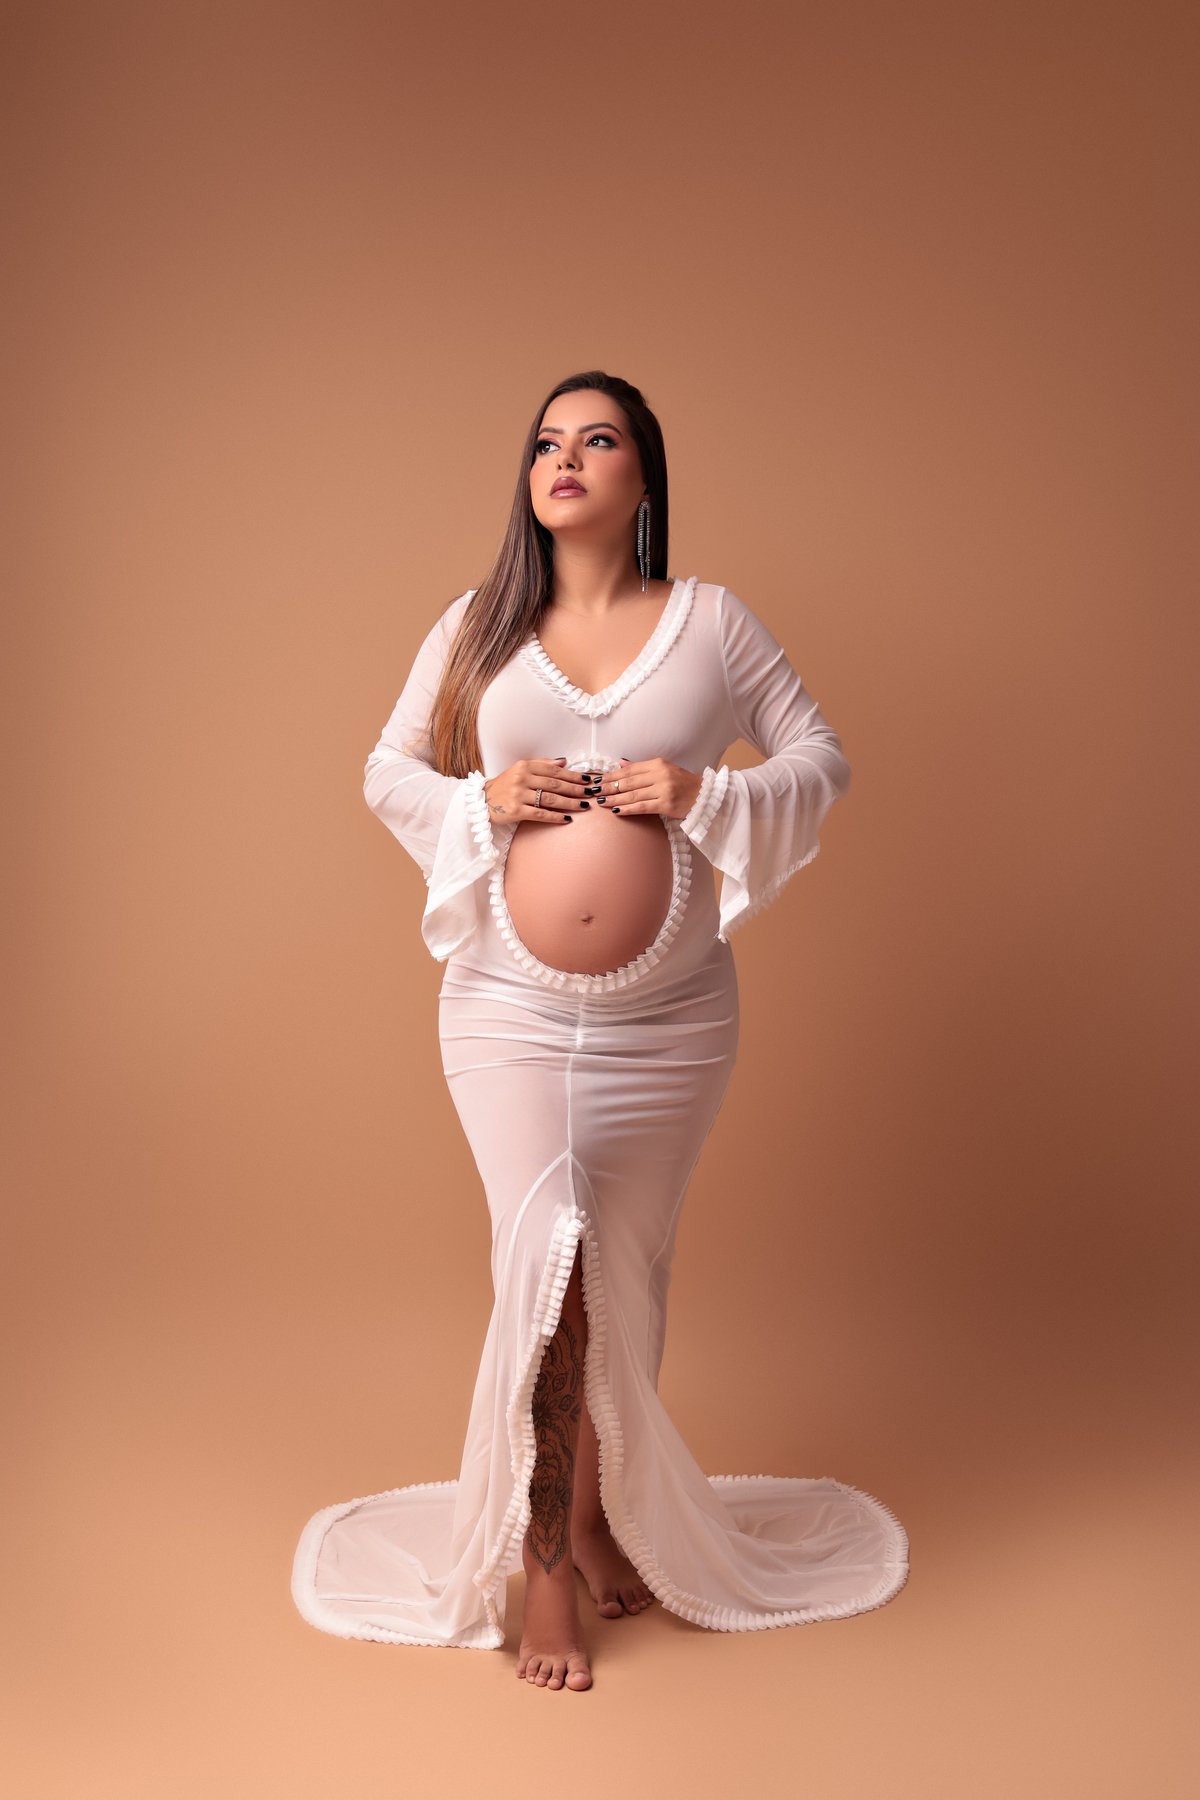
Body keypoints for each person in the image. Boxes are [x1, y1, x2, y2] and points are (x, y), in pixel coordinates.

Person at [291, 372, 907, 1690]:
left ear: (643, 476)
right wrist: (485, 797)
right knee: (550, 1261)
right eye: (545, 443)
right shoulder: (477, 626)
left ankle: (589, 1511)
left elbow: (821, 758)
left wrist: (703, 790)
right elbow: (387, 768)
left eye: (598, 439)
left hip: (672, 1024)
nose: (564, 459)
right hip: (506, 1015)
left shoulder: (712, 623)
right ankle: (547, 1572)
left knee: (623, 1275)